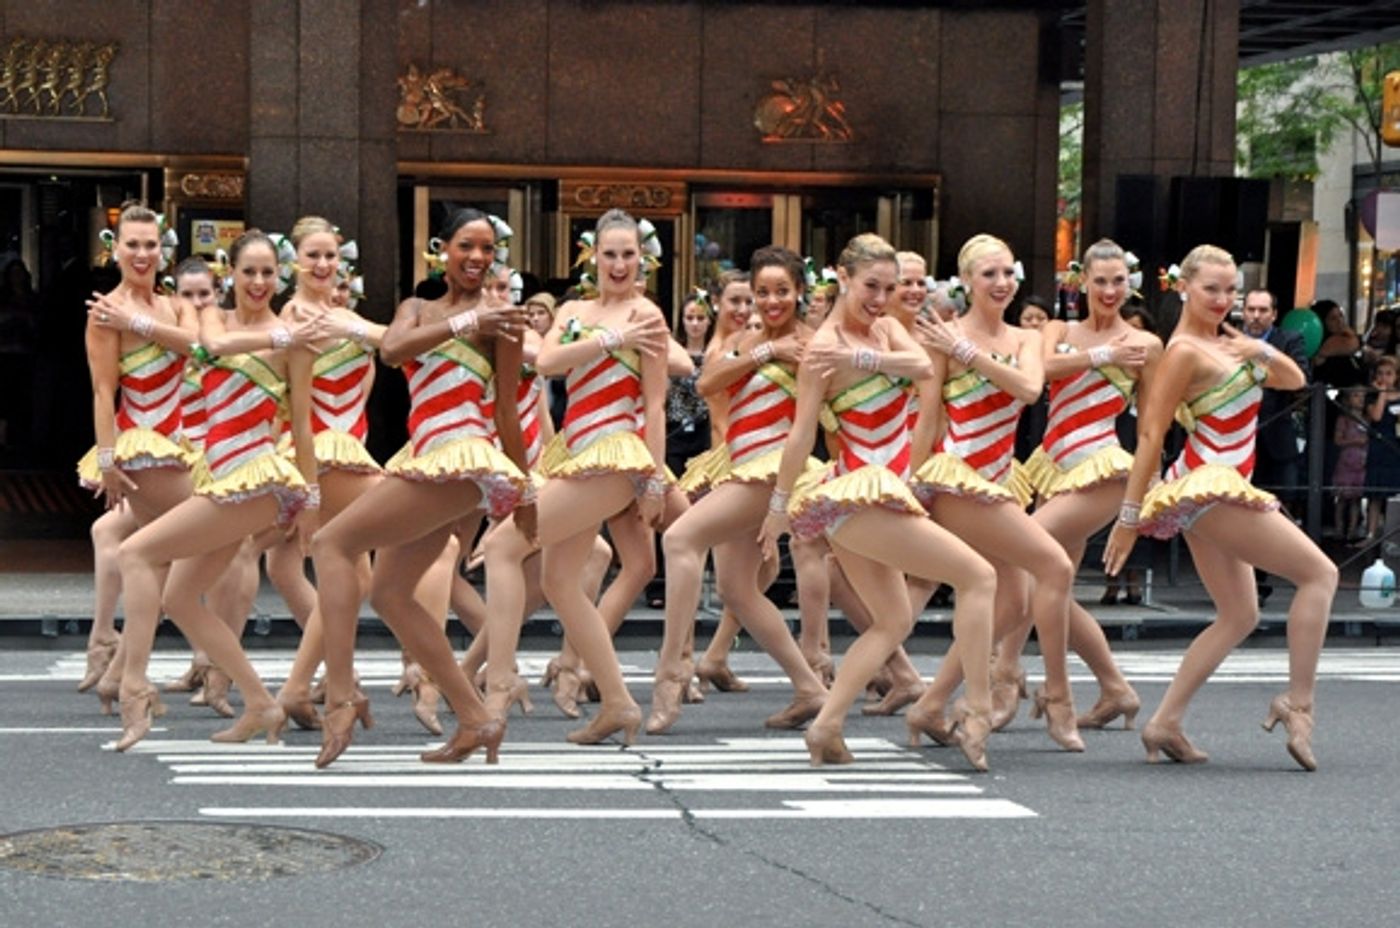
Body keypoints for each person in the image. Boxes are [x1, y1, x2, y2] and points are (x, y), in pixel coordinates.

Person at [758, 232, 997, 770]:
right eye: (870, 285)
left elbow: (921, 368)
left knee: (891, 621)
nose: (880, 298)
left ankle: (826, 726)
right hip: (858, 495)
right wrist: (777, 507)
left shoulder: (887, 328)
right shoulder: (821, 349)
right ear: (842, 278)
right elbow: (800, 436)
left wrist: (863, 354)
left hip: (876, 496)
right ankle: (978, 710)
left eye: (888, 287)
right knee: (980, 577)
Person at [309, 208, 531, 768]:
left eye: (486, 249)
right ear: (442, 250)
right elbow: (391, 352)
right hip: (424, 457)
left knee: (331, 544)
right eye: (466, 246)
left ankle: (340, 695)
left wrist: (523, 493)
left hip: (462, 461)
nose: (477, 258)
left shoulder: (502, 320)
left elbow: (506, 410)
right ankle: (475, 717)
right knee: (388, 594)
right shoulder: (416, 309)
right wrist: (463, 325)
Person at [1105, 244, 1336, 771]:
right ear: (1182, 287)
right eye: (1211, 288)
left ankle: (1165, 722)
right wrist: (1128, 518)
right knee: (1320, 575)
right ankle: (1298, 705)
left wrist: (1260, 352)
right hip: (1211, 485)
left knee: (1239, 613)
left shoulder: (1233, 343)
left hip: (1219, 486)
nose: (1223, 299)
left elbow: (1294, 381)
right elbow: (1150, 435)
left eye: (1231, 290)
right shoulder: (1184, 351)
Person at [98, 228, 327, 750]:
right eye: (249, 271)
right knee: (179, 596)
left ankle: (133, 684)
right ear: (230, 275)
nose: (259, 282)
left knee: (135, 553)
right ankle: (260, 703)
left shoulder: (295, 341)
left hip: (257, 480)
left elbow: (305, 427)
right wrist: (281, 337)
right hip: (218, 476)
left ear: (280, 276)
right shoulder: (212, 318)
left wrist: (310, 502)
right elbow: (213, 345)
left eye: (269, 272)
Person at [480, 208, 670, 745]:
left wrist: (654, 482)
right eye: (609, 254)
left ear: (643, 258)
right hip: (574, 451)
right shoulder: (574, 309)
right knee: (561, 582)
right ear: (593, 255)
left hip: (617, 455)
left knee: (500, 549)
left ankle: (498, 685)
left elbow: (654, 406)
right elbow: (549, 362)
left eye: (628, 254)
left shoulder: (649, 317)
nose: (619, 264)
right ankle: (617, 702)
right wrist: (610, 341)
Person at [904, 234, 1083, 753]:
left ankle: (931, 703)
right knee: (1055, 567)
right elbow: (929, 417)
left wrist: (966, 352)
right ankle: (1058, 696)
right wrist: (915, 487)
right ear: (966, 282)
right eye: (989, 275)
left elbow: (1029, 390)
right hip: (959, 481)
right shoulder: (943, 337)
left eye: (1008, 273)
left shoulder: (1025, 338)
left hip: (1002, 482)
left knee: (1012, 603)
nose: (1002, 283)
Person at [647, 245, 828, 735]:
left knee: (680, 538)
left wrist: (779, 501)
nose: (770, 303)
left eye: (782, 292)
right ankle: (810, 688)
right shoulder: (750, 339)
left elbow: (804, 429)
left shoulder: (814, 344)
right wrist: (767, 349)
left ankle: (671, 674)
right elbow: (707, 382)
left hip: (772, 471)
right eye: (761, 293)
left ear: (800, 292)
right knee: (737, 589)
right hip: (739, 465)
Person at [996, 239, 1161, 731]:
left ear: (1129, 283)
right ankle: (1115, 688)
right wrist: (1104, 354)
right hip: (1052, 463)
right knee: (1054, 584)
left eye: (1119, 281)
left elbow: (1154, 424)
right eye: (1101, 281)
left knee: (1025, 558)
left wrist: (1139, 497)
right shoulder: (1057, 329)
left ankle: (1006, 671)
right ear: (1081, 282)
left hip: (1102, 464)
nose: (1110, 290)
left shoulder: (1146, 344)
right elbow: (1041, 371)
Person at [1362, 355, 1400, 544]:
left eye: (1389, 373)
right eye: (1380, 373)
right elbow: (1376, 416)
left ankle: (1393, 534)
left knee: (1395, 491)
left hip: (1396, 446)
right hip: (1379, 445)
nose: (1384, 377)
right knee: (1375, 494)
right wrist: (1382, 394)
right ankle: (1371, 534)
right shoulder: (1372, 396)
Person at [1332, 387, 1368, 542]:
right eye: (1356, 395)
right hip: (1346, 460)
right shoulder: (1344, 420)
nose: (1360, 399)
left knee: (1356, 499)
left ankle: (1352, 530)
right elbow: (1337, 440)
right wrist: (1355, 441)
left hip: (1361, 461)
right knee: (1342, 498)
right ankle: (1338, 528)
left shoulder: (1367, 419)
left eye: (1363, 396)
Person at [1310, 298, 1362, 388]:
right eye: (1333, 318)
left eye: (1341, 316)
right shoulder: (1327, 342)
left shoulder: (1342, 337)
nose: (1339, 321)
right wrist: (1350, 333)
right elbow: (1352, 344)